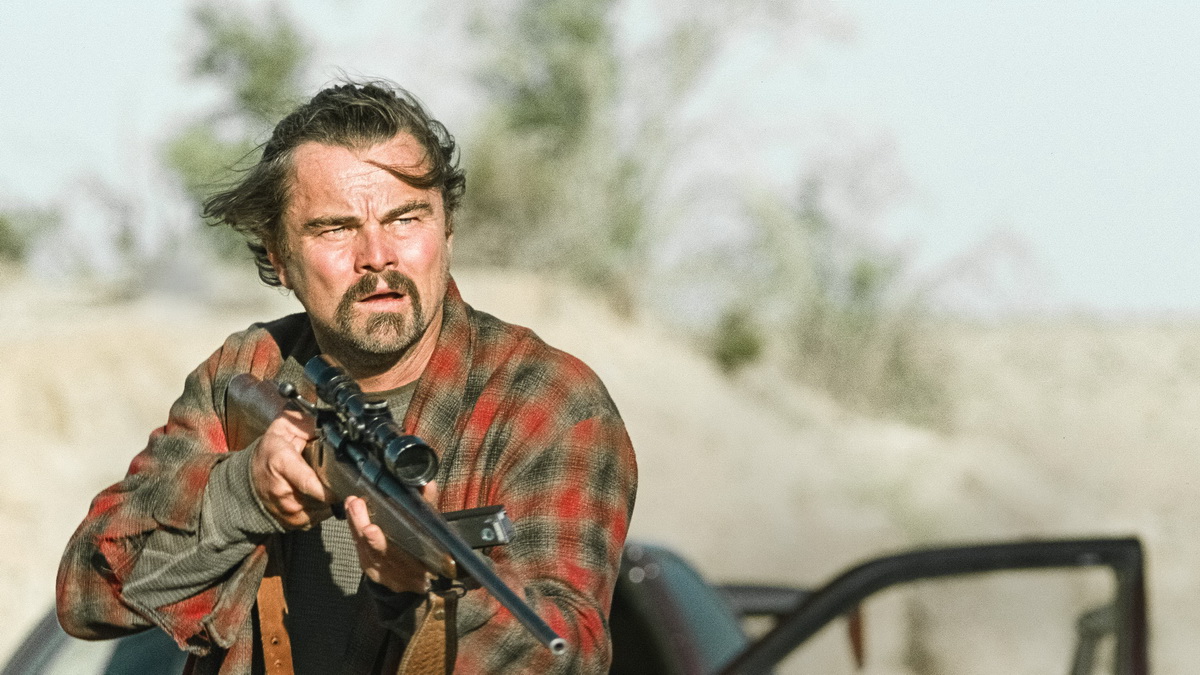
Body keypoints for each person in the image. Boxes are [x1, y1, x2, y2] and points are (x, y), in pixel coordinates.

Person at [55, 80, 638, 675]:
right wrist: (242, 494)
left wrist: (428, 595)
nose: (377, 255)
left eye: (406, 218)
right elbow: (87, 595)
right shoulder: (249, 370)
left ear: (447, 232)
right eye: (334, 228)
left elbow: (567, 654)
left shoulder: (549, 402)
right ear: (278, 257)